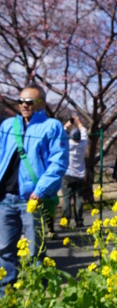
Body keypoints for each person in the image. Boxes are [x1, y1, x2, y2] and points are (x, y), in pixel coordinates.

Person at [0, 83, 69, 295]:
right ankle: (5, 297)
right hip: (5, 197)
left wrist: (41, 190)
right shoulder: (8, 126)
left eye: (29, 102)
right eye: (20, 101)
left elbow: (58, 163)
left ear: (41, 104)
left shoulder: (52, 127)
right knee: (4, 251)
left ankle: (37, 298)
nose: (24, 105)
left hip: (33, 198)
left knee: (35, 251)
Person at [62, 116, 88, 227]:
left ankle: (65, 221)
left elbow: (60, 134)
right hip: (80, 175)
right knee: (78, 199)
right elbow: (84, 131)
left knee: (66, 198)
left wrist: (67, 125)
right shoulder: (83, 144)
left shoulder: (67, 144)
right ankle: (79, 220)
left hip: (68, 174)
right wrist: (78, 122)